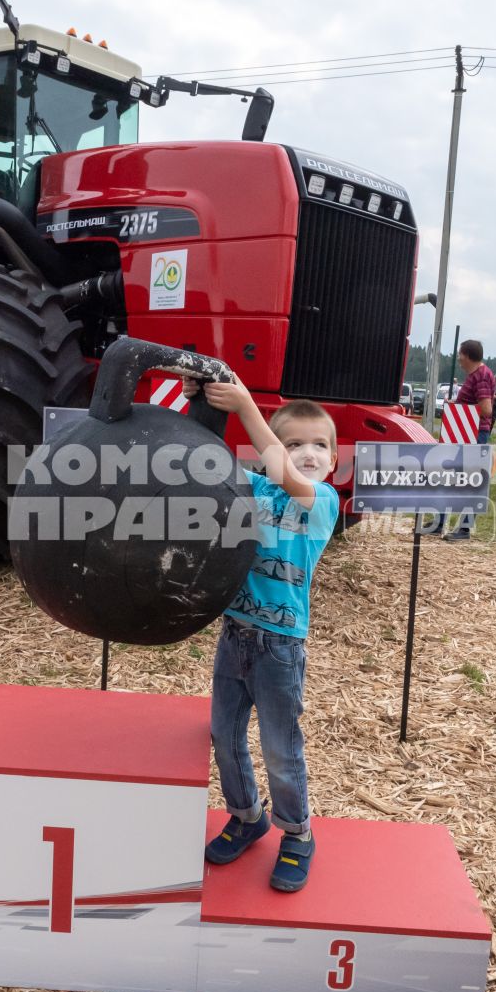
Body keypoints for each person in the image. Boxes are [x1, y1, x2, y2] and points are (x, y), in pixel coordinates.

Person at [190, 380, 340, 893]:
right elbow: (207, 476)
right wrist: (200, 401)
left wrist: (247, 407)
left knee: (281, 748)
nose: (307, 453)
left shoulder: (322, 501)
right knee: (224, 737)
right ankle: (247, 815)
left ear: (335, 462)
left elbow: (283, 471)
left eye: (320, 445)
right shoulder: (253, 488)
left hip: (280, 648)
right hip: (235, 636)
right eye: (294, 443)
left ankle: (297, 834)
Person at [443, 340, 496, 541]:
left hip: (474, 434)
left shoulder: (481, 376)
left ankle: (464, 529)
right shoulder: (476, 375)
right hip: (467, 434)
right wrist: (456, 405)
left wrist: (459, 409)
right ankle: (444, 522)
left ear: (467, 355)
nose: (458, 358)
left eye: (460, 354)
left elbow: (485, 410)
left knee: (472, 481)